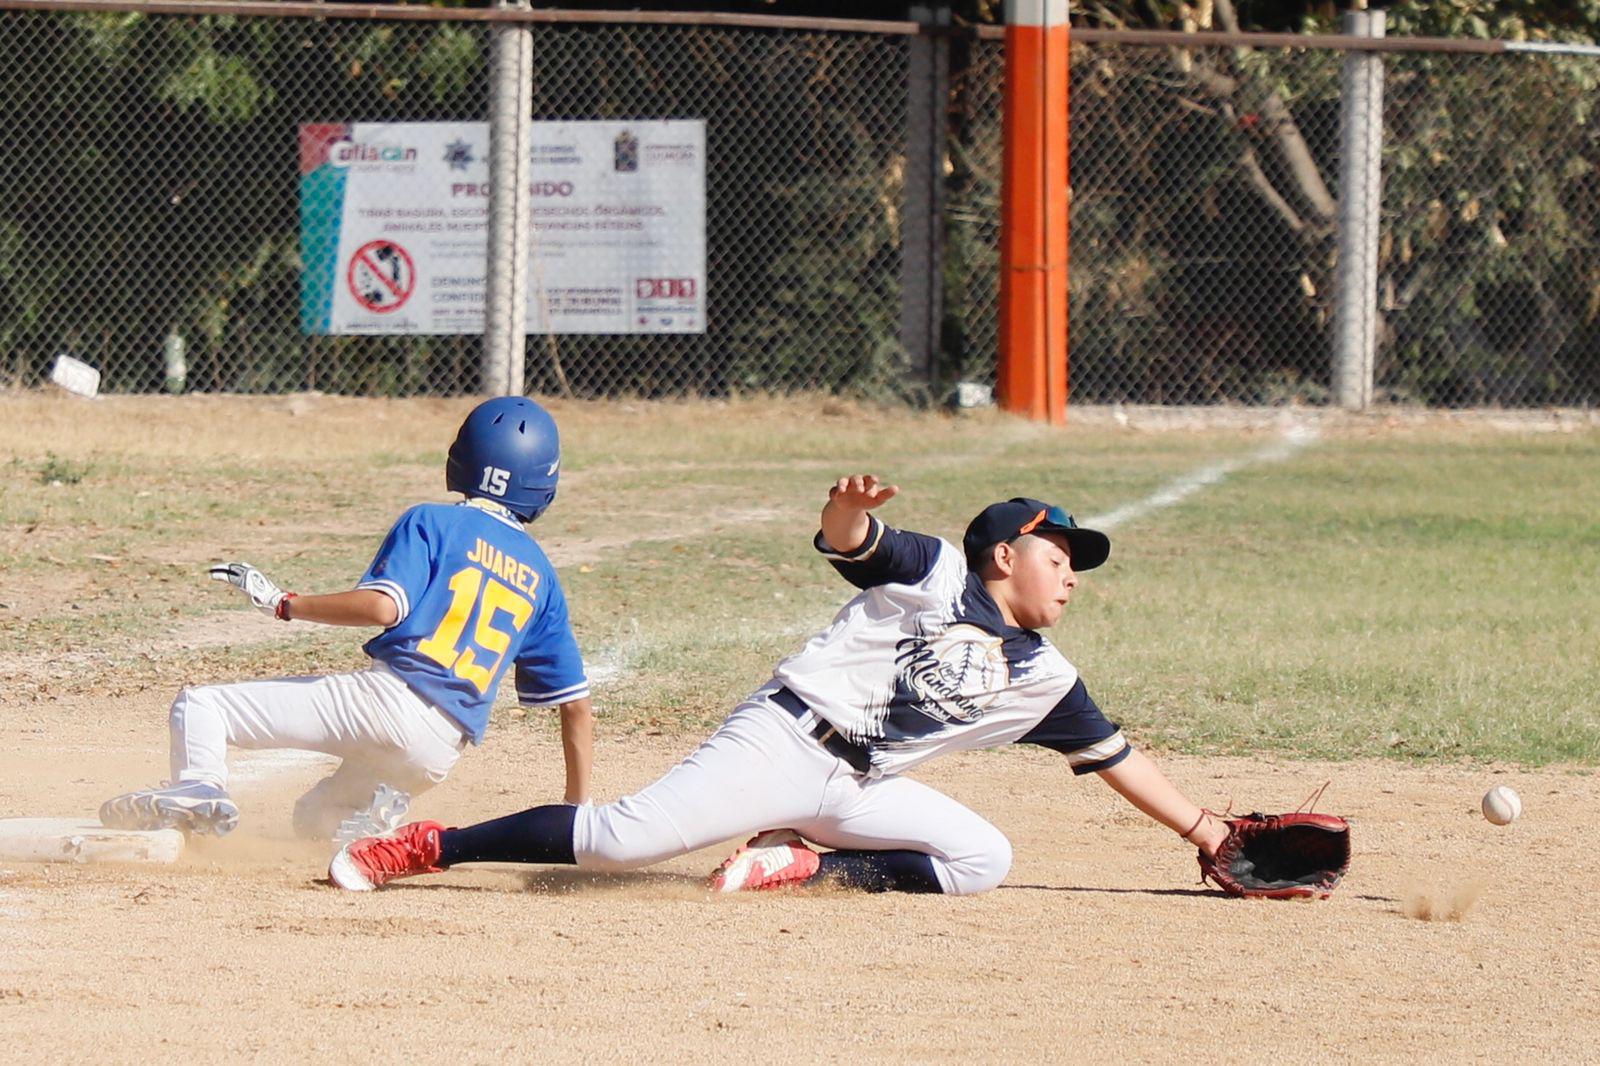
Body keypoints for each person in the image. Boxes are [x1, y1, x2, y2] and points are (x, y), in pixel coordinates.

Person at [328, 474, 1227, 894]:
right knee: (621, 843)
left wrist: (1211, 835)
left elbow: (1120, 761)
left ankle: (800, 862)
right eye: (1058, 558)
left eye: (1074, 567)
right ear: (1004, 556)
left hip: (857, 789)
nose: (1070, 577)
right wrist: (849, 508)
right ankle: (427, 847)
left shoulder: (1046, 678)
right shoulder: (937, 572)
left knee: (983, 860)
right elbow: (852, 540)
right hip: (784, 739)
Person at [100, 396, 594, 845]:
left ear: (462, 456)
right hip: (438, 750)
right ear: (541, 484)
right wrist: (575, 811)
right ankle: (372, 828)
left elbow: (383, 607)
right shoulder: (541, 577)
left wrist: (285, 603)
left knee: (202, 707)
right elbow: (574, 705)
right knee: (315, 818)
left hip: (386, 703)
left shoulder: (433, 521)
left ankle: (198, 787)